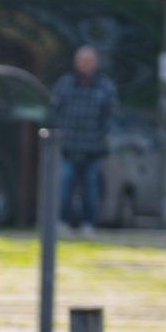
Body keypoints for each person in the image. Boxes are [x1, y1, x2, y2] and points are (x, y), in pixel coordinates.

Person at [51, 45, 119, 235]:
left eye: (88, 61)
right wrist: (61, 133)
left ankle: (89, 223)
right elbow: (54, 110)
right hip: (69, 147)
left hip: (93, 149)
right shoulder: (65, 84)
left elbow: (111, 116)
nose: (84, 65)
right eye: (82, 61)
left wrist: (100, 137)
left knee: (91, 188)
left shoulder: (105, 86)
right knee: (65, 186)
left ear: (95, 64)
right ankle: (63, 222)